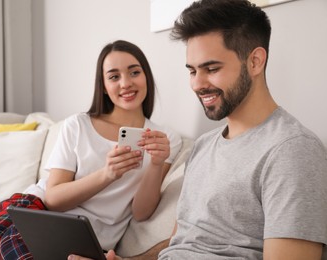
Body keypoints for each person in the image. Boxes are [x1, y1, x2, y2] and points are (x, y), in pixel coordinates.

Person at [70, 0, 327, 259]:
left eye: (212, 69)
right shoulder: (204, 146)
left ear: (255, 62)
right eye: (192, 71)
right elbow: (182, 243)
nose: (197, 84)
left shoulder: (292, 150)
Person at [0, 40, 182, 259]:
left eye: (134, 72)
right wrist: (107, 174)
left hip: (89, 237)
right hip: (38, 209)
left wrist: (157, 164)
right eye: (114, 76)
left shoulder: (166, 138)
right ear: (104, 86)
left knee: (9, 247)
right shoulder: (78, 124)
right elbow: (53, 199)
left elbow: (141, 213)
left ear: (146, 77)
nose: (126, 83)